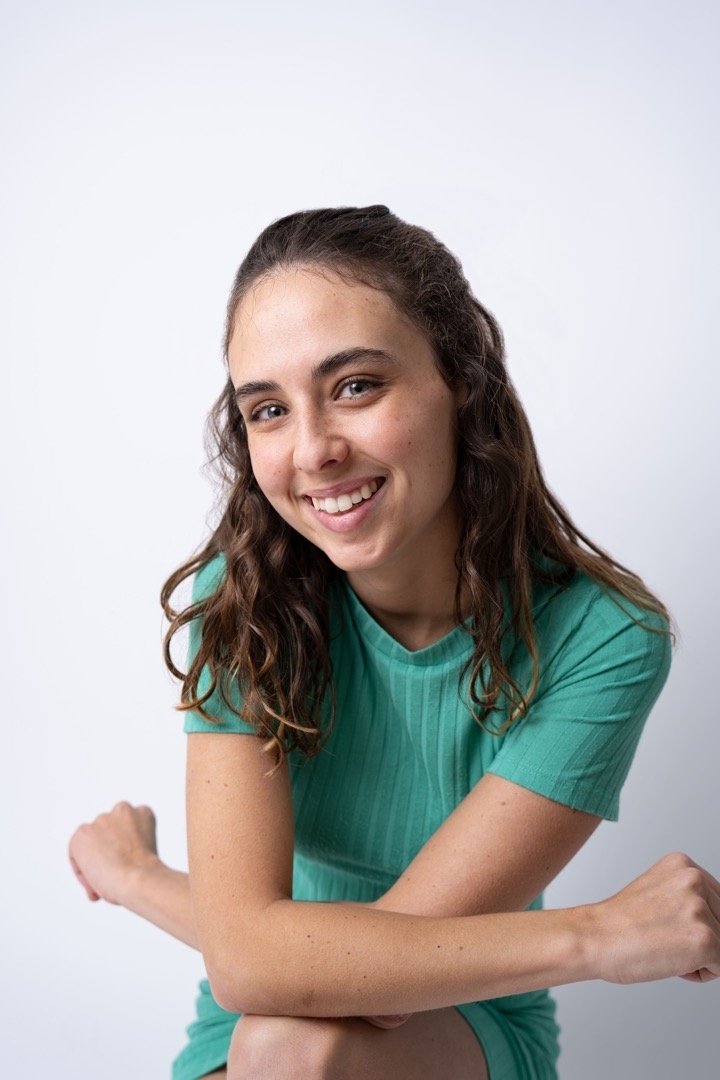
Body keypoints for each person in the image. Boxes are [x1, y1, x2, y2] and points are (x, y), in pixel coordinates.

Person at [69, 206, 720, 1080]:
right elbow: (247, 965)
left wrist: (144, 883)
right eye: (269, 409)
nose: (313, 450)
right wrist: (597, 936)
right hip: (250, 1018)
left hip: (464, 1017)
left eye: (355, 386)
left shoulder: (602, 639)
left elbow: (369, 988)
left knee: (293, 1046)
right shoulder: (243, 600)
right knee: (275, 1041)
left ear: (462, 382)